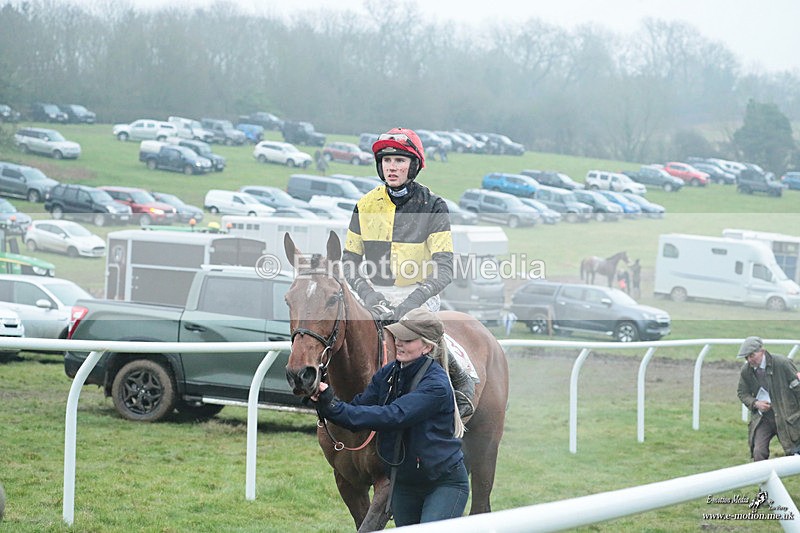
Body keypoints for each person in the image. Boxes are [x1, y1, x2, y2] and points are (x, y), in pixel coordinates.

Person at [341, 127, 475, 418]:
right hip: (372, 293)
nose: (392, 167)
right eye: (387, 161)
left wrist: (409, 303)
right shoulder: (365, 205)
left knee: (421, 327)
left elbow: (445, 268)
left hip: (417, 294)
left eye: (399, 161)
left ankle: (460, 381)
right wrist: (370, 295)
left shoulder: (434, 206)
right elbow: (349, 261)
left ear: (413, 165)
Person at [309, 308, 469, 527]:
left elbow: (392, 416)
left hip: (443, 484)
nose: (399, 343)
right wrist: (324, 401)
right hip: (403, 483)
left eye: (408, 339)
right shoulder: (390, 372)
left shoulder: (436, 385)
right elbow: (357, 408)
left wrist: (334, 406)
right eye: (398, 337)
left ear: (427, 347)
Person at [736, 336, 800, 461]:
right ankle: (764, 480)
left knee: (793, 454)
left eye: (752, 355)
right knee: (758, 452)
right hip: (763, 419)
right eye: (746, 357)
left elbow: (798, 389)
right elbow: (742, 393)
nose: (749, 360)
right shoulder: (746, 371)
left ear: (762, 351)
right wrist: (755, 403)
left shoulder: (782, 363)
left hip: (788, 417)